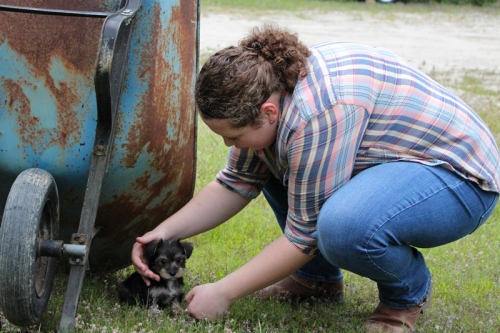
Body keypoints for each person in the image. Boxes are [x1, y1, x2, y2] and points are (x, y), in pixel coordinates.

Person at [131, 24, 500, 332]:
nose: (230, 144)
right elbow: (234, 183)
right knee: (271, 161)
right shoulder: (268, 91)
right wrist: (162, 234)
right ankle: (317, 281)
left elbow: (304, 235)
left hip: (460, 178)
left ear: (268, 111)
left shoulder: (315, 115)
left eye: (233, 136)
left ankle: (406, 294)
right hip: (398, 161)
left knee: (344, 226)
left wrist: (224, 292)